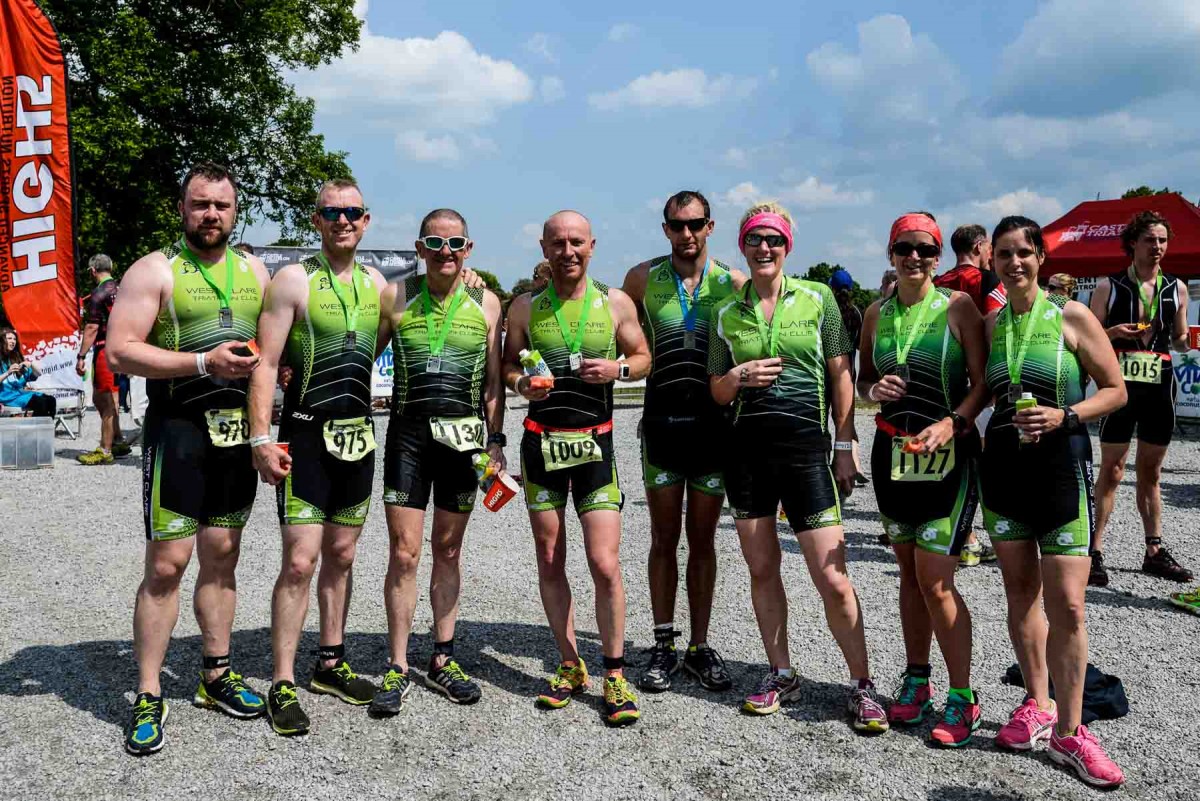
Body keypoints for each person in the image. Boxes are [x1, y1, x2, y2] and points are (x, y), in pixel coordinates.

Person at [106, 162, 269, 755]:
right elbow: (120, 351)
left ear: (235, 211)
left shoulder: (254, 269)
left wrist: (471, 289)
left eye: (221, 206)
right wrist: (203, 362)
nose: (211, 216)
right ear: (182, 208)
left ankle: (216, 674)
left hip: (233, 436)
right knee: (168, 565)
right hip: (176, 429)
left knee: (223, 557)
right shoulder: (155, 270)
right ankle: (149, 691)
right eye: (200, 205)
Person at [708, 201, 887, 732]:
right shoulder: (726, 310)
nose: (765, 249)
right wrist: (738, 376)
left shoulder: (819, 298)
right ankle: (781, 673)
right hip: (747, 454)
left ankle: (862, 683)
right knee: (763, 569)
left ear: (788, 246)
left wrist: (846, 442)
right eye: (755, 240)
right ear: (742, 245)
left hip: (807, 448)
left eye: (775, 240)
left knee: (832, 577)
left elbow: (841, 372)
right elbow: (716, 391)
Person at [981, 216, 1126, 788]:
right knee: (1020, 594)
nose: (1013, 263)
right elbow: (979, 392)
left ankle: (1071, 731)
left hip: (1061, 469)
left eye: (1023, 253)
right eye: (1003, 255)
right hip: (1004, 472)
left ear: (1040, 258)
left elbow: (1115, 389)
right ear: (992, 261)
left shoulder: (1069, 313)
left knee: (1067, 604)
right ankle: (1036, 705)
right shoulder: (993, 323)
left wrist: (1066, 414)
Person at [248, 179, 389, 735]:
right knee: (301, 560)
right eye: (332, 212)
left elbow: (380, 342)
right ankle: (282, 680)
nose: (342, 220)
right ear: (317, 220)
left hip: (357, 437)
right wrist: (262, 438)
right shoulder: (293, 279)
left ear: (366, 219)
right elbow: (264, 362)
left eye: (352, 212)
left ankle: (330, 662)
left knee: (343, 555)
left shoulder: (380, 285)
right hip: (305, 435)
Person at [503, 210, 652, 727]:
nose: (568, 251)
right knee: (549, 557)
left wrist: (618, 370)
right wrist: (522, 384)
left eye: (577, 243)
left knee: (604, 562)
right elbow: (507, 363)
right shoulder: (524, 306)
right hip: (542, 445)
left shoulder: (614, 303)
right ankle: (569, 664)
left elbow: (643, 356)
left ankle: (614, 672)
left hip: (596, 447)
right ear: (544, 247)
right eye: (558, 243)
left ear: (592, 247)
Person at [857, 213, 990, 746]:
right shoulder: (875, 313)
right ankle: (917, 682)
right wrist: (873, 391)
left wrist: (951, 424)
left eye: (926, 250)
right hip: (893, 453)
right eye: (905, 248)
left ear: (938, 258)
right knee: (909, 578)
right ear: (891, 254)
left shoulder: (959, 308)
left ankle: (964, 699)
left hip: (949, 458)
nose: (915, 258)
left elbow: (983, 385)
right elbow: (864, 380)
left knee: (937, 581)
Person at [368, 208, 505, 716]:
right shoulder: (396, 295)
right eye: (435, 242)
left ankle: (443, 656)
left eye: (455, 244)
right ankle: (398, 665)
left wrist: (496, 440)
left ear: (468, 248)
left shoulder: (487, 302)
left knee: (447, 549)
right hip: (408, 436)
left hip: (464, 441)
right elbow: (365, 358)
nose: (445, 252)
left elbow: (493, 382)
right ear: (420, 247)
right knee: (404, 553)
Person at [621, 190, 745, 693]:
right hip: (662, 426)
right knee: (662, 539)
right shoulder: (640, 279)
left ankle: (699, 644)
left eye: (695, 224)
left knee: (704, 541)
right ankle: (663, 642)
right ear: (665, 228)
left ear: (710, 227)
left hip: (714, 430)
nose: (686, 233)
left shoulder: (732, 282)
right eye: (677, 225)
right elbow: (603, 323)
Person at [1088, 210, 1192, 586]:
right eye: (1151, 240)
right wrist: (1112, 332)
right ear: (1133, 242)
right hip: (1120, 386)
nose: (1158, 247)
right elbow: (1091, 335)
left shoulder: (1176, 288)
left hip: (1159, 385)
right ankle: (1094, 551)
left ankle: (1153, 551)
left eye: (1163, 240)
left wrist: (1187, 341)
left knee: (1151, 473)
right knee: (1113, 471)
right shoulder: (1109, 286)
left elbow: (1180, 339)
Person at [934, 223, 1004, 567]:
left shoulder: (939, 282)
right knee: (984, 465)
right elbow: (996, 326)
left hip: (946, 386)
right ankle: (977, 538)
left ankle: (963, 535)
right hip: (981, 385)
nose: (992, 254)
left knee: (954, 463)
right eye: (990, 247)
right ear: (979, 246)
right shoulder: (987, 281)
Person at [76, 254, 130, 464]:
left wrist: (80, 356)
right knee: (113, 396)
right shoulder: (121, 291)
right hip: (120, 349)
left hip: (104, 348)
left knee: (103, 398)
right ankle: (116, 439)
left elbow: (91, 328)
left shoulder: (98, 294)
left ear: (92, 271)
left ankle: (105, 450)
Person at [0, 328, 56, 417]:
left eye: (14, 339)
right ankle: (37, 429)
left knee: (51, 400)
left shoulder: (16, 359)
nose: (13, 341)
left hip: (20, 395)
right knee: (40, 403)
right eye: (9, 338)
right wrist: (8, 372)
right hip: (7, 397)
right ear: (2, 340)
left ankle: (47, 428)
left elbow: (38, 373)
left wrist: (31, 364)